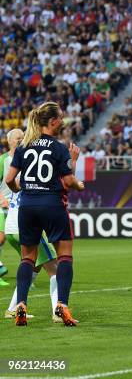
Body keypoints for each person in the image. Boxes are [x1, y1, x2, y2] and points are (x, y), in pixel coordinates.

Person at [5, 101, 85, 326]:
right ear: (52, 121)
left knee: (27, 258)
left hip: (27, 206)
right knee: (65, 256)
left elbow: (10, 180)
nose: (63, 121)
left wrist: (22, 190)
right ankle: (62, 305)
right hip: (52, 204)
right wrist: (78, 179)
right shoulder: (59, 148)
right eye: (60, 117)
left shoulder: (24, 147)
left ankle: (21, 303)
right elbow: (68, 182)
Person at [2, 129, 62, 323]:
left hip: (12, 227)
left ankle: (12, 309)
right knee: (55, 268)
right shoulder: (36, 169)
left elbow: (11, 183)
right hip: (24, 226)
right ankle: (58, 312)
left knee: (32, 267)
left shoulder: (21, 164)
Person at [0, 130, 21, 286]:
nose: (20, 140)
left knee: (22, 240)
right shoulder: (3, 160)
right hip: (2, 205)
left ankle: (28, 272)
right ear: (9, 141)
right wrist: (1, 199)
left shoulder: (27, 158)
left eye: (22, 137)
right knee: (1, 238)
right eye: (17, 138)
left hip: (20, 206)